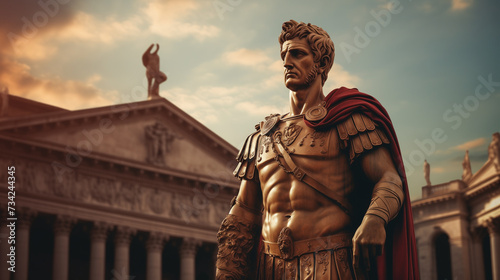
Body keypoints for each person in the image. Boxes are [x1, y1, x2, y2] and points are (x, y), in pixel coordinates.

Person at [216, 20, 419, 279]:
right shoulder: (261, 137)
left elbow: (388, 179)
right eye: (284, 56)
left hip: (332, 263)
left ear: (322, 64)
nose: (287, 62)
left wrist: (375, 218)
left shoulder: (349, 120)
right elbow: (243, 214)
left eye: (298, 54)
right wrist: (226, 270)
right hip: (269, 269)